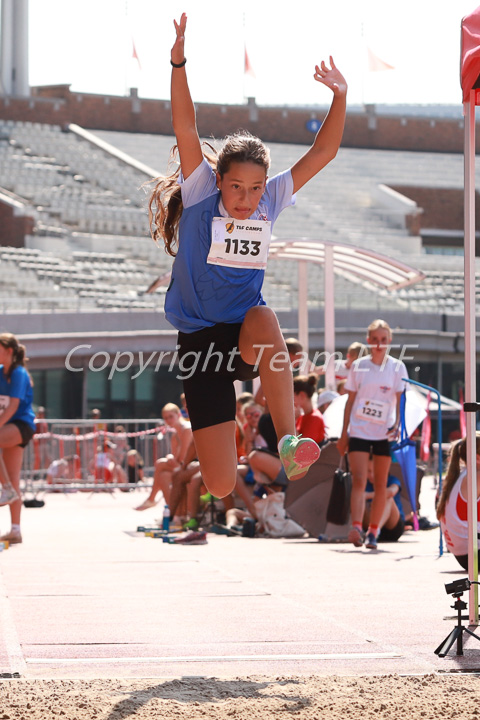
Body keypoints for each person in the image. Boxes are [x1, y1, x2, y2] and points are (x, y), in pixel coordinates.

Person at [148, 13, 347, 499]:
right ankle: (232, 439)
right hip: (199, 343)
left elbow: (322, 153)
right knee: (218, 485)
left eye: (255, 188)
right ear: (218, 181)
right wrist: (179, 62)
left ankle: (287, 440)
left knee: (264, 317)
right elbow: (184, 124)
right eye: (237, 186)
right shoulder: (199, 193)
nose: (247, 197)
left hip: (242, 335)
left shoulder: (270, 201)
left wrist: (340, 97)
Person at [337, 319, 408, 551]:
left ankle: (373, 532)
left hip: (383, 433)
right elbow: (349, 401)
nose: (379, 344)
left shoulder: (397, 368)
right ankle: (356, 527)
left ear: (389, 342)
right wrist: (343, 433)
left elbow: (400, 401)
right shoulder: (358, 366)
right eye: (375, 340)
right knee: (358, 480)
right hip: (358, 430)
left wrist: (398, 424)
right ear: (368, 341)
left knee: (380, 483)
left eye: (383, 340)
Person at [0, 333, 36, 544]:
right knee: (13, 478)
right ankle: (15, 531)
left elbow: (13, 406)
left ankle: (6, 490)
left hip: (21, 426)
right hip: (8, 426)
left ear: (9, 351)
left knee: (10, 485)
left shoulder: (19, 373)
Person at [135, 402, 192, 511]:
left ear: (178, 414)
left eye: (171, 417)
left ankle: (151, 499)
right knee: (163, 475)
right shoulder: (175, 436)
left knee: (160, 464)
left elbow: (183, 459)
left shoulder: (186, 430)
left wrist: (171, 458)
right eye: (166, 418)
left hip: (192, 466)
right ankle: (173, 513)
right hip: (182, 466)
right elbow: (176, 458)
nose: (169, 420)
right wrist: (170, 457)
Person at [436, 434, 480, 571]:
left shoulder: (457, 476)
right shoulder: (476, 477)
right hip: (473, 554)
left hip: (462, 555)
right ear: (477, 458)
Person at [363, 457, 405, 544]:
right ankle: (364, 531)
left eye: (373, 471)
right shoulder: (364, 483)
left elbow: (392, 491)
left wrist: (368, 495)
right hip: (368, 523)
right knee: (359, 499)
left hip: (393, 527)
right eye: (368, 471)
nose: (370, 475)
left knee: (387, 498)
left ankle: (374, 532)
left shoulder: (392, 480)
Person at [293, 374, 326, 445]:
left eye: (293, 395)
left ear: (302, 395)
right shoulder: (301, 416)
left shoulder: (315, 418)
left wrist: (293, 421)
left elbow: (302, 447)